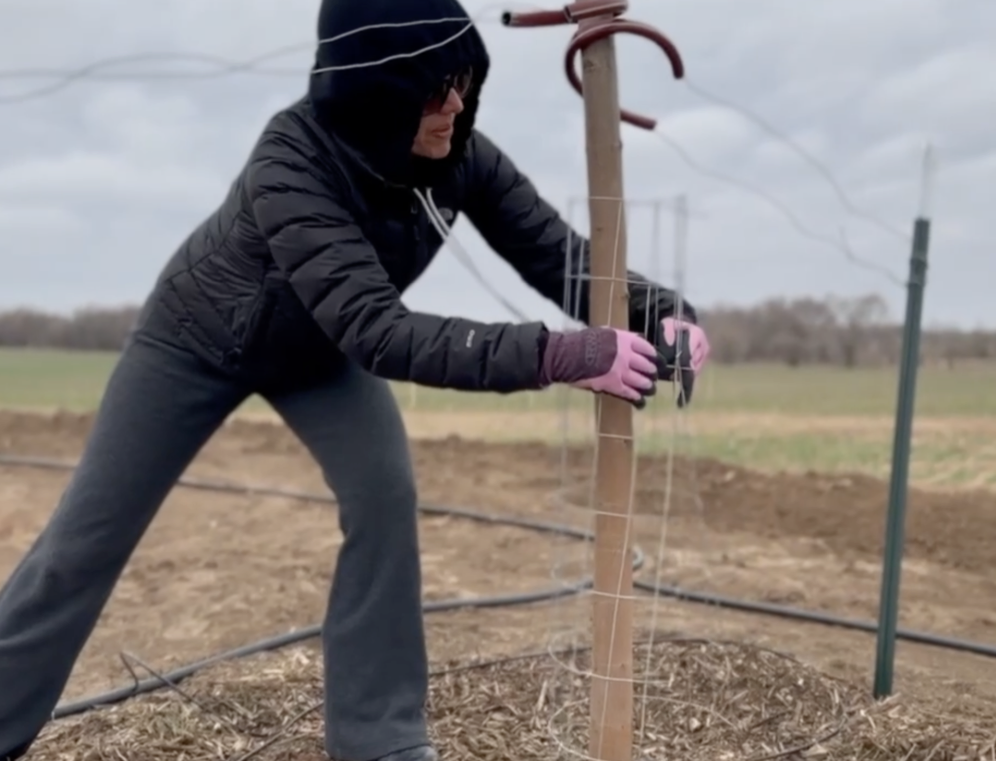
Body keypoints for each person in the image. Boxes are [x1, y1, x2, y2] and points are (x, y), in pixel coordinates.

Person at [0, 0, 710, 759]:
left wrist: (659, 310)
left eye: (463, 83)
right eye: (434, 90)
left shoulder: (461, 155)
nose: (455, 105)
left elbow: (559, 256)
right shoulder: (291, 163)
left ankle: (381, 740)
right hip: (197, 342)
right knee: (86, 539)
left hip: (319, 355)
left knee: (384, 496)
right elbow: (380, 330)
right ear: (377, 92)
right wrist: (558, 355)